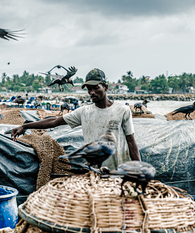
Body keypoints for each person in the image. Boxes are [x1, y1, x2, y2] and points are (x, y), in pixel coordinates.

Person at [11, 68, 141, 170]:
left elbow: (131, 142)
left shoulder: (122, 110)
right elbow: (54, 121)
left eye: (96, 88)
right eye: (89, 89)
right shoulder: (84, 112)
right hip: (96, 172)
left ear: (105, 87)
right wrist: (25, 126)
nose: (92, 92)